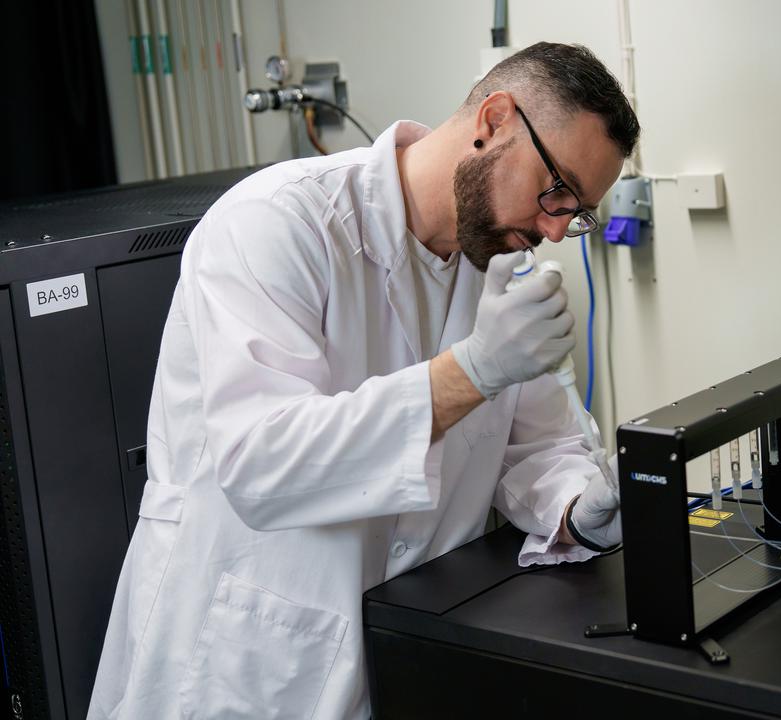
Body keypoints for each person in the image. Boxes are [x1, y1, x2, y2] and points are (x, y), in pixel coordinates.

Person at [88, 42, 640, 719]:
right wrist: (473, 372)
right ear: (493, 120)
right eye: (555, 191)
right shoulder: (277, 224)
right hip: (243, 658)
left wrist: (581, 506)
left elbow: (539, 445)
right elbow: (262, 463)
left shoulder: (505, 266)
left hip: (410, 649)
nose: (557, 229)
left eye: (577, 211)